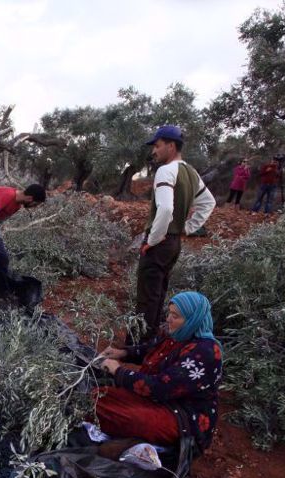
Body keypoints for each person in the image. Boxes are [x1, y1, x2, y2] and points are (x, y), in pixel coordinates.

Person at [95, 291, 223, 452]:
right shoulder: (176, 334)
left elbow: (160, 388)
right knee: (97, 398)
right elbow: (151, 350)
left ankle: (142, 446)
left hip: (181, 417)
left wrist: (118, 371)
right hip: (158, 400)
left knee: (110, 413)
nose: (168, 319)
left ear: (193, 319)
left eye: (175, 316)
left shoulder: (206, 351)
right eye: (169, 313)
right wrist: (123, 353)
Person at [136, 125, 216, 341]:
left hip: (161, 241)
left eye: (158, 146)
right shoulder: (191, 172)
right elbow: (209, 202)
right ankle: (150, 340)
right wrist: (187, 229)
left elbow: (166, 208)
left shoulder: (165, 171)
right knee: (158, 292)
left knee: (146, 296)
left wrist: (152, 239)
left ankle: (137, 346)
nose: (154, 151)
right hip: (174, 243)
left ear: (171, 146)